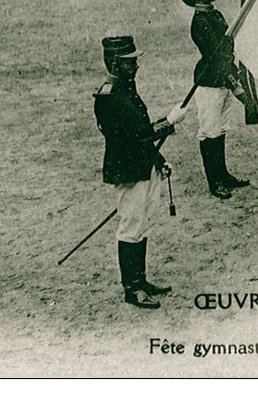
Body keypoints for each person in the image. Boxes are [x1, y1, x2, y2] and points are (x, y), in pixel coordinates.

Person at [93, 35, 188, 309]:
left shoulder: (127, 89)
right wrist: (168, 122)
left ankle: (141, 280)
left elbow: (141, 135)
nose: (136, 66)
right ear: (113, 63)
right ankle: (131, 289)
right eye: (129, 62)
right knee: (131, 226)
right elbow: (135, 136)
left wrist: (158, 160)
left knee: (143, 223)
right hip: (128, 171)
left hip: (143, 166)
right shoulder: (109, 97)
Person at [178, 0, 251, 200]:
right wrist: (234, 83)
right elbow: (216, 55)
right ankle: (214, 181)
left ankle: (223, 174)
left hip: (222, 81)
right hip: (211, 82)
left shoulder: (215, 14)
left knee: (220, 129)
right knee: (210, 131)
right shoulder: (200, 22)